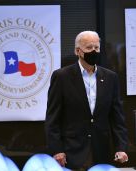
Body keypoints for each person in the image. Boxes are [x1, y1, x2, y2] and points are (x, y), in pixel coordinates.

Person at [45, 31, 128, 170]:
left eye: (97, 48)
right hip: (72, 152)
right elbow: (52, 118)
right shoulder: (62, 77)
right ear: (78, 51)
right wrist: (57, 150)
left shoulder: (110, 77)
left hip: (102, 152)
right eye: (89, 48)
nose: (94, 51)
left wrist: (121, 147)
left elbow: (117, 117)